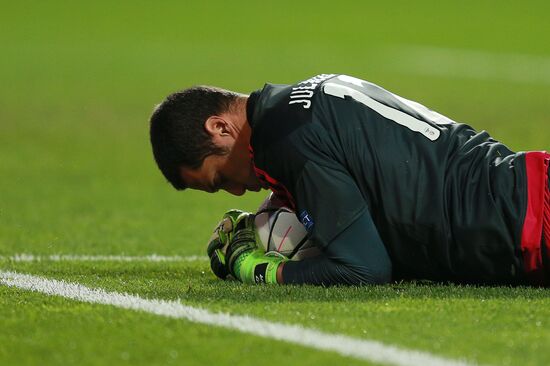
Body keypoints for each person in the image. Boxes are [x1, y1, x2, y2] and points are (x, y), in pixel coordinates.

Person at [149, 74, 550, 287]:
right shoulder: (295, 104)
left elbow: (364, 270)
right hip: (525, 189)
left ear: (220, 127)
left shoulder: (284, 139)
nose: (236, 191)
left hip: (528, 223)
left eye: (219, 179)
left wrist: (258, 269)